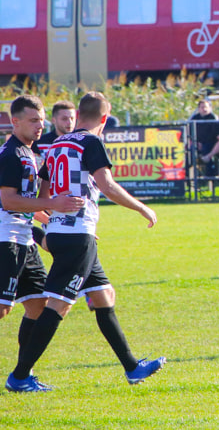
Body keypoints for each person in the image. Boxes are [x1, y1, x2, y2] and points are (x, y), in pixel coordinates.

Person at [7, 92, 164, 392]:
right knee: (58, 306)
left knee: (104, 295)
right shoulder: (91, 142)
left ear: (78, 115)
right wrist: (142, 208)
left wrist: (56, 219)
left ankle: (132, 367)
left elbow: (44, 193)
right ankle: (20, 375)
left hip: (64, 231)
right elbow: (106, 185)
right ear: (104, 119)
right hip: (76, 236)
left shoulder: (55, 145)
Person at [0, 96, 85, 392]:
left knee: (38, 305)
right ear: (16, 122)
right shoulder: (11, 154)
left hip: (25, 240)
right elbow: (8, 200)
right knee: (2, 309)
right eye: (34, 120)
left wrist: (56, 222)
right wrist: (51, 202)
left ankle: (23, 375)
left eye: (42, 120)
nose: (40, 126)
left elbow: (26, 202)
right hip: (6, 240)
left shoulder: (30, 153)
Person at [190, 99, 219, 177]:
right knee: (189, 151)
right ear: (199, 109)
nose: (204, 109)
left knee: (206, 149)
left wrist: (202, 143)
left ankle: (210, 175)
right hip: (197, 142)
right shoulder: (194, 118)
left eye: (206, 107)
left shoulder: (213, 118)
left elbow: (214, 134)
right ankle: (188, 176)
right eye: (202, 107)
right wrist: (196, 142)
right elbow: (190, 132)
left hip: (211, 142)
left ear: (210, 108)